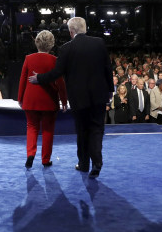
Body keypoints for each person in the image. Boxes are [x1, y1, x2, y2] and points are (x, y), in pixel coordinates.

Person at [29, 17, 112, 178]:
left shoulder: (67, 48)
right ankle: (97, 162)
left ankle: (83, 164)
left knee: (82, 131)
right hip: (99, 95)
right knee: (96, 129)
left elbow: (56, 73)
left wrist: (39, 78)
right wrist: (110, 90)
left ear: (71, 31)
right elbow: (108, 69)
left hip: (79, 98)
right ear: (85, 28)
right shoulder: (99, 43)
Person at [18, 30, 68, 169]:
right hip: (49, 100)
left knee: (32, 127)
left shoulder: (28, 58)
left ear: (37, 43)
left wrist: (20, 98)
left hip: (31, 99)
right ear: (51, 45)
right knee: (48, 130)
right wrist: (64, 101)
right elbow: (60, 82)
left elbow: (22, 79)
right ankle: (45, 159)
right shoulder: (54, 60)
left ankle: (30, 155)